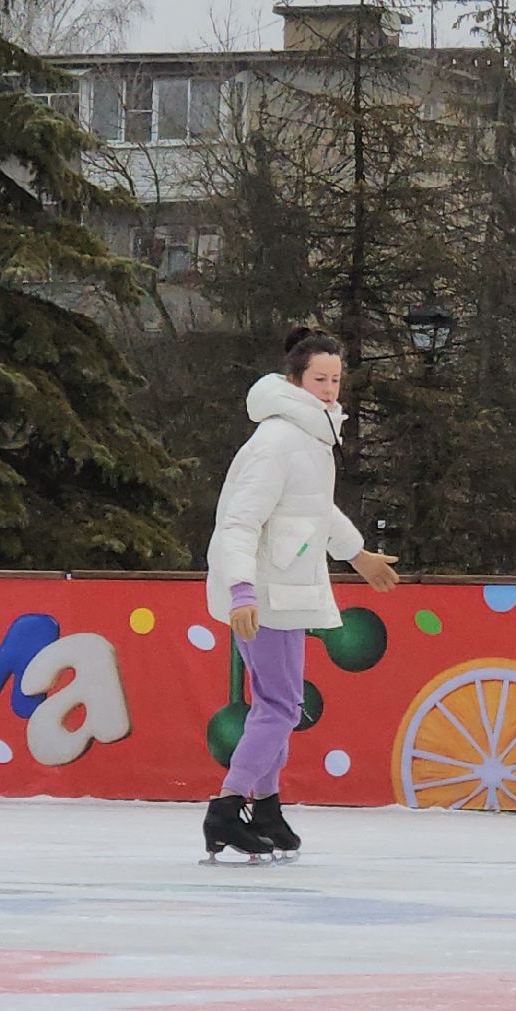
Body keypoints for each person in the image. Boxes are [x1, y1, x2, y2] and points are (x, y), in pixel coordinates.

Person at [201, 327, 401, 859]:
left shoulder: (310, 438)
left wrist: (356, 552)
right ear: (295, 380)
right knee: (282, 708)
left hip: (287, 591)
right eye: (320, 379)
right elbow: (240, 523)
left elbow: (313, 510)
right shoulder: (278, 441)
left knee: (277, 703)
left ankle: (265, 809)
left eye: (336, 379)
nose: (331, 390)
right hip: (265, 593)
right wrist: (242, 591)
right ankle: (226, 807)